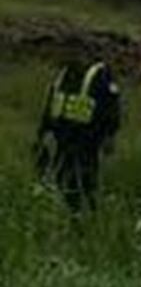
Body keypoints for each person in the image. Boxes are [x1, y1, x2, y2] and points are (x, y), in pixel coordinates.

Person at [35, 58, 121, 211]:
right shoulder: (96, 74)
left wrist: (43, 133)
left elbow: (50, 106)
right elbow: (111, 106)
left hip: (69, 138)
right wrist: (110, 134)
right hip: (81, 139)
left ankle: (76, 213)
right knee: (80, 186)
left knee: (67, 183)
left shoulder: (66, 74)